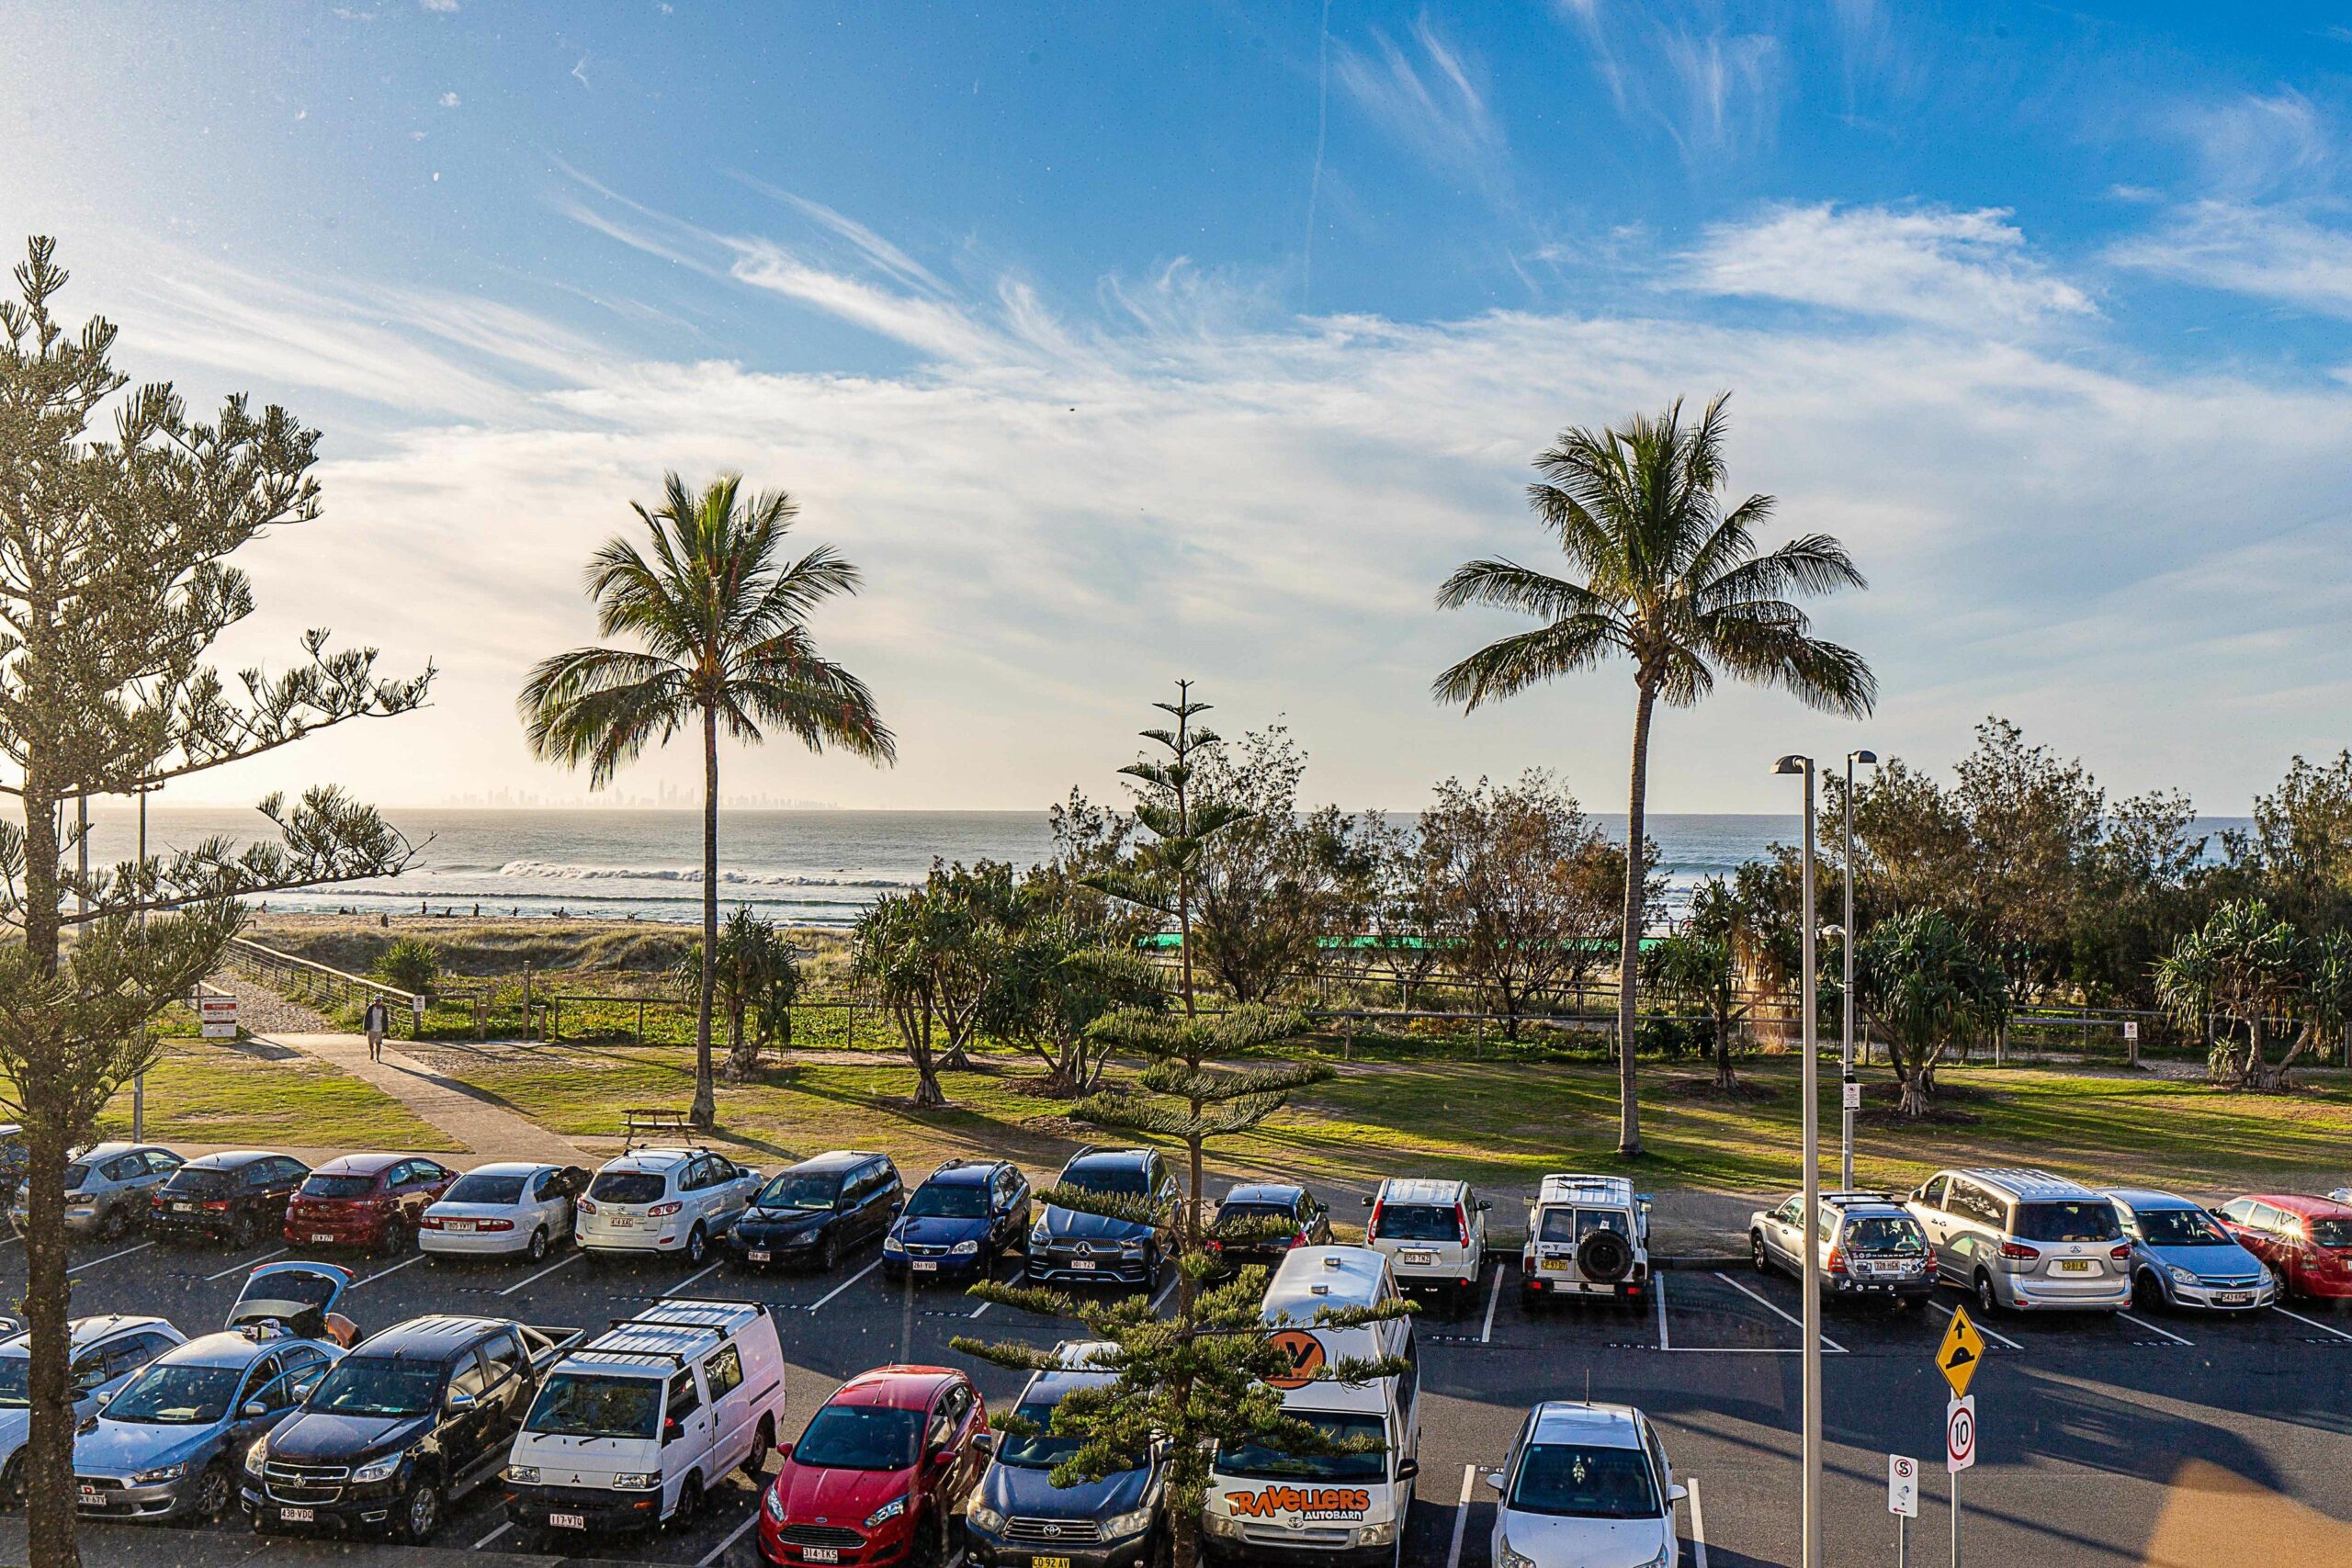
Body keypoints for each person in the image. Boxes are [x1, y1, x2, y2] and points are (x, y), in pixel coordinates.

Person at [362, 996, 390, 1063]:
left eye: (379, 1000)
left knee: (378, 1043)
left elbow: (385, 1019)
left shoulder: (383, 1009)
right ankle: (372, 1052)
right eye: (376, 1000)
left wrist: (386, 1030)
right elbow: (366, 1018)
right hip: (371, 1028)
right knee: (371, 1043)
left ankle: (377, 1057)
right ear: (374, 1001)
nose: (378, 1002)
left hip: (379, 1028)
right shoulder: (370, 1008)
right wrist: (365, 1029)